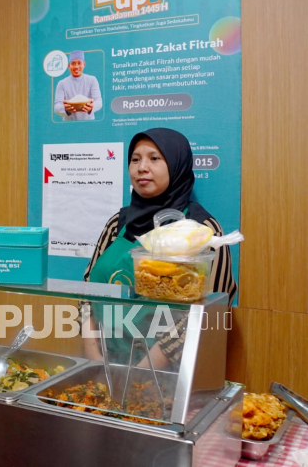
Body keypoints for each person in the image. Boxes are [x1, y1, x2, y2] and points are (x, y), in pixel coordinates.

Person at [82, 128, 236, 369]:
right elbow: (87, 293)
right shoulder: (117, 223)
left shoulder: (204, 231)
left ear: (177, 166)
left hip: (167, 379)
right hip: (104, 367)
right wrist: (95, 361)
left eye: (155, 158)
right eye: (135, 159)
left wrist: (141, 373)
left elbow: (208, 312)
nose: (142, 167)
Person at [54, 50, 102, 121]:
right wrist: (66, 109)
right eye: (73, 63)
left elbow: (99, 101)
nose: (76, 67)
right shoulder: (62, 83)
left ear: (84, 64)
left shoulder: (92, 80)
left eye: (79, 63)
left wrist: (92, 107)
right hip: (68, 124)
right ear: (69, 66)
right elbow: (56, 106)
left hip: (89, 123)